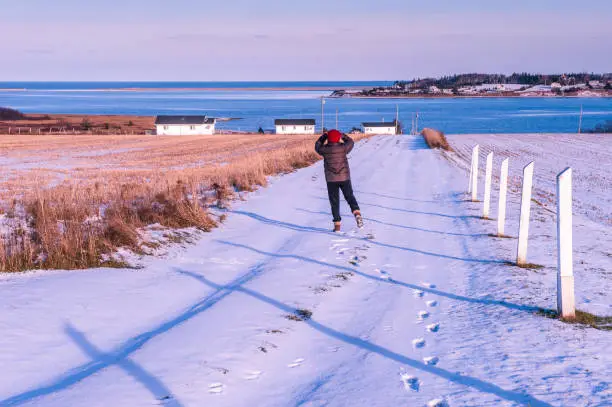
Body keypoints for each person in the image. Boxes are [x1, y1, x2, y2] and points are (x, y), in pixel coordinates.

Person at [315, 129, 363, 232]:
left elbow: (317, 146)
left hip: (331, 180)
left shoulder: (324, 150)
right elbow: (351, 142)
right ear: (338, 138)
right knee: (349, 196)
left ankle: (337, 226)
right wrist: (342, 135)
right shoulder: (343, 148)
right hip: (344, 177)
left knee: (334, 202)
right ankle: (357, 213)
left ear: (329, 139)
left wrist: (324, 136)